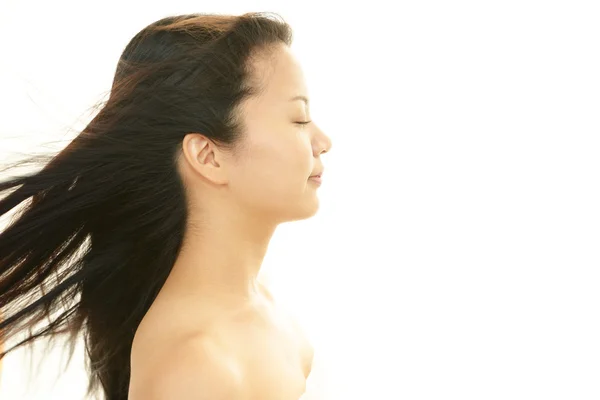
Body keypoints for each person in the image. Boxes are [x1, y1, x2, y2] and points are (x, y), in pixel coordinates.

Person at [0, 12, 332, 400]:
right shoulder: (193, 365)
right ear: (208, 156)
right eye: (299, 119)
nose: (323, 141)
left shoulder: (265, 310)